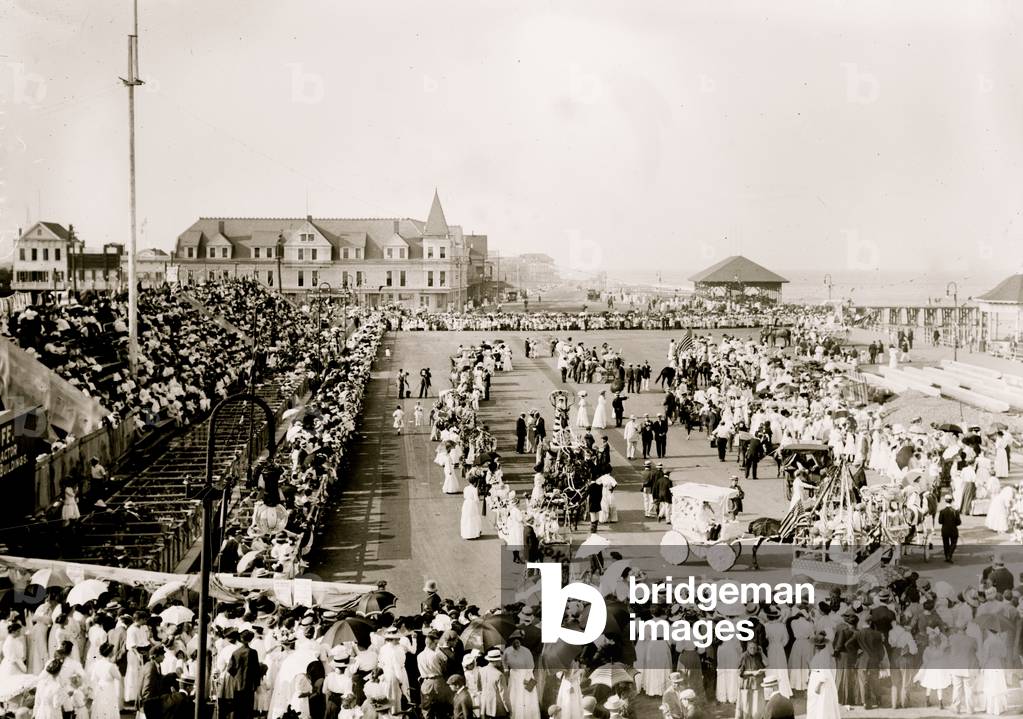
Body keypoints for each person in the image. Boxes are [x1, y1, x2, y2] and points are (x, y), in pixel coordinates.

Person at [806, 632, 840, 719]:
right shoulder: (820, 653)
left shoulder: (823, 655)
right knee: (815, 703)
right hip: (815, 678)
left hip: (821, 682)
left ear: (816, 646)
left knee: (821, 703)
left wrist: (819, 685)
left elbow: (824, 672)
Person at [937, 495, 960, 562]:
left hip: (945, 530)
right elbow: (958, 522)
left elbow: (940, 522)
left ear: (945, 501)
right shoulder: (955, 511)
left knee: (945, 544)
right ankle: (949, 555)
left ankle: (947, 556)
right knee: (954, 543)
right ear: (951, 501)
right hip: (953, 530)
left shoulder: (942, 511)